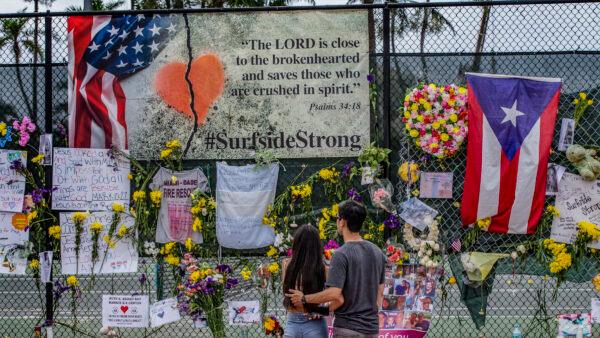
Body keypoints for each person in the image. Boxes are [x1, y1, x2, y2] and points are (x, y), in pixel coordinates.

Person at [287, 200, 387, 338]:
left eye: (338, 218)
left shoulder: (341, 254)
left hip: (347, 328)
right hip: (371, 329)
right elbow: (380, 295)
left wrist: (304, 298)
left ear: (342, 222)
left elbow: (334, 294)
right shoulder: (377, 252)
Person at [282, 224, 342, 338]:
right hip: (298, 320)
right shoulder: (288, 265)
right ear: (316, 246)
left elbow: (335, 297)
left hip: (307, 319)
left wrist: (320, 310)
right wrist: (321, 309)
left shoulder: (322, 269)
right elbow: (337, 298)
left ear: (296, 244)